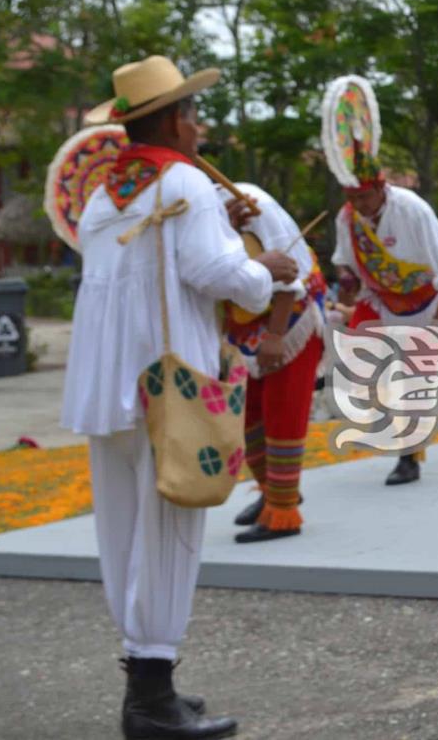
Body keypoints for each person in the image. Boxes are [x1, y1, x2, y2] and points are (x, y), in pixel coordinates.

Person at [63, 56, 299, 739]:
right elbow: (213, 273)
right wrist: (266, 268)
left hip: (107, 380)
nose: (200, 127)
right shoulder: (185, 182)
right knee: (169, 527)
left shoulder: (108, 191)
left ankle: (147, 679)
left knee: (122, 525)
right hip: (169, 383)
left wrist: (218, 227)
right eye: (192, 114)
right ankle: (150, 699)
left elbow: (147, 262)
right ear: (171, 119)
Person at [331, 148, 438, 485]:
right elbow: (342, 260)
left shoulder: (412, 210)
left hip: (424, 303)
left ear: (381, 188)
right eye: (352, 198)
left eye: (364, 197)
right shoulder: (347, 218)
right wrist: (346, 276)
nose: (359, 205)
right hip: (378, 298)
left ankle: (409, 457)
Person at [219, 182, 327, 543]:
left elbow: (289, 269)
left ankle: (283, 514)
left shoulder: (251, 201)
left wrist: (277, 335)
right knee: (250, 417)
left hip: (291, 319)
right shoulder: (193, 214)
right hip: (248, 326)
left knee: (282, 413)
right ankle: (273, 493)